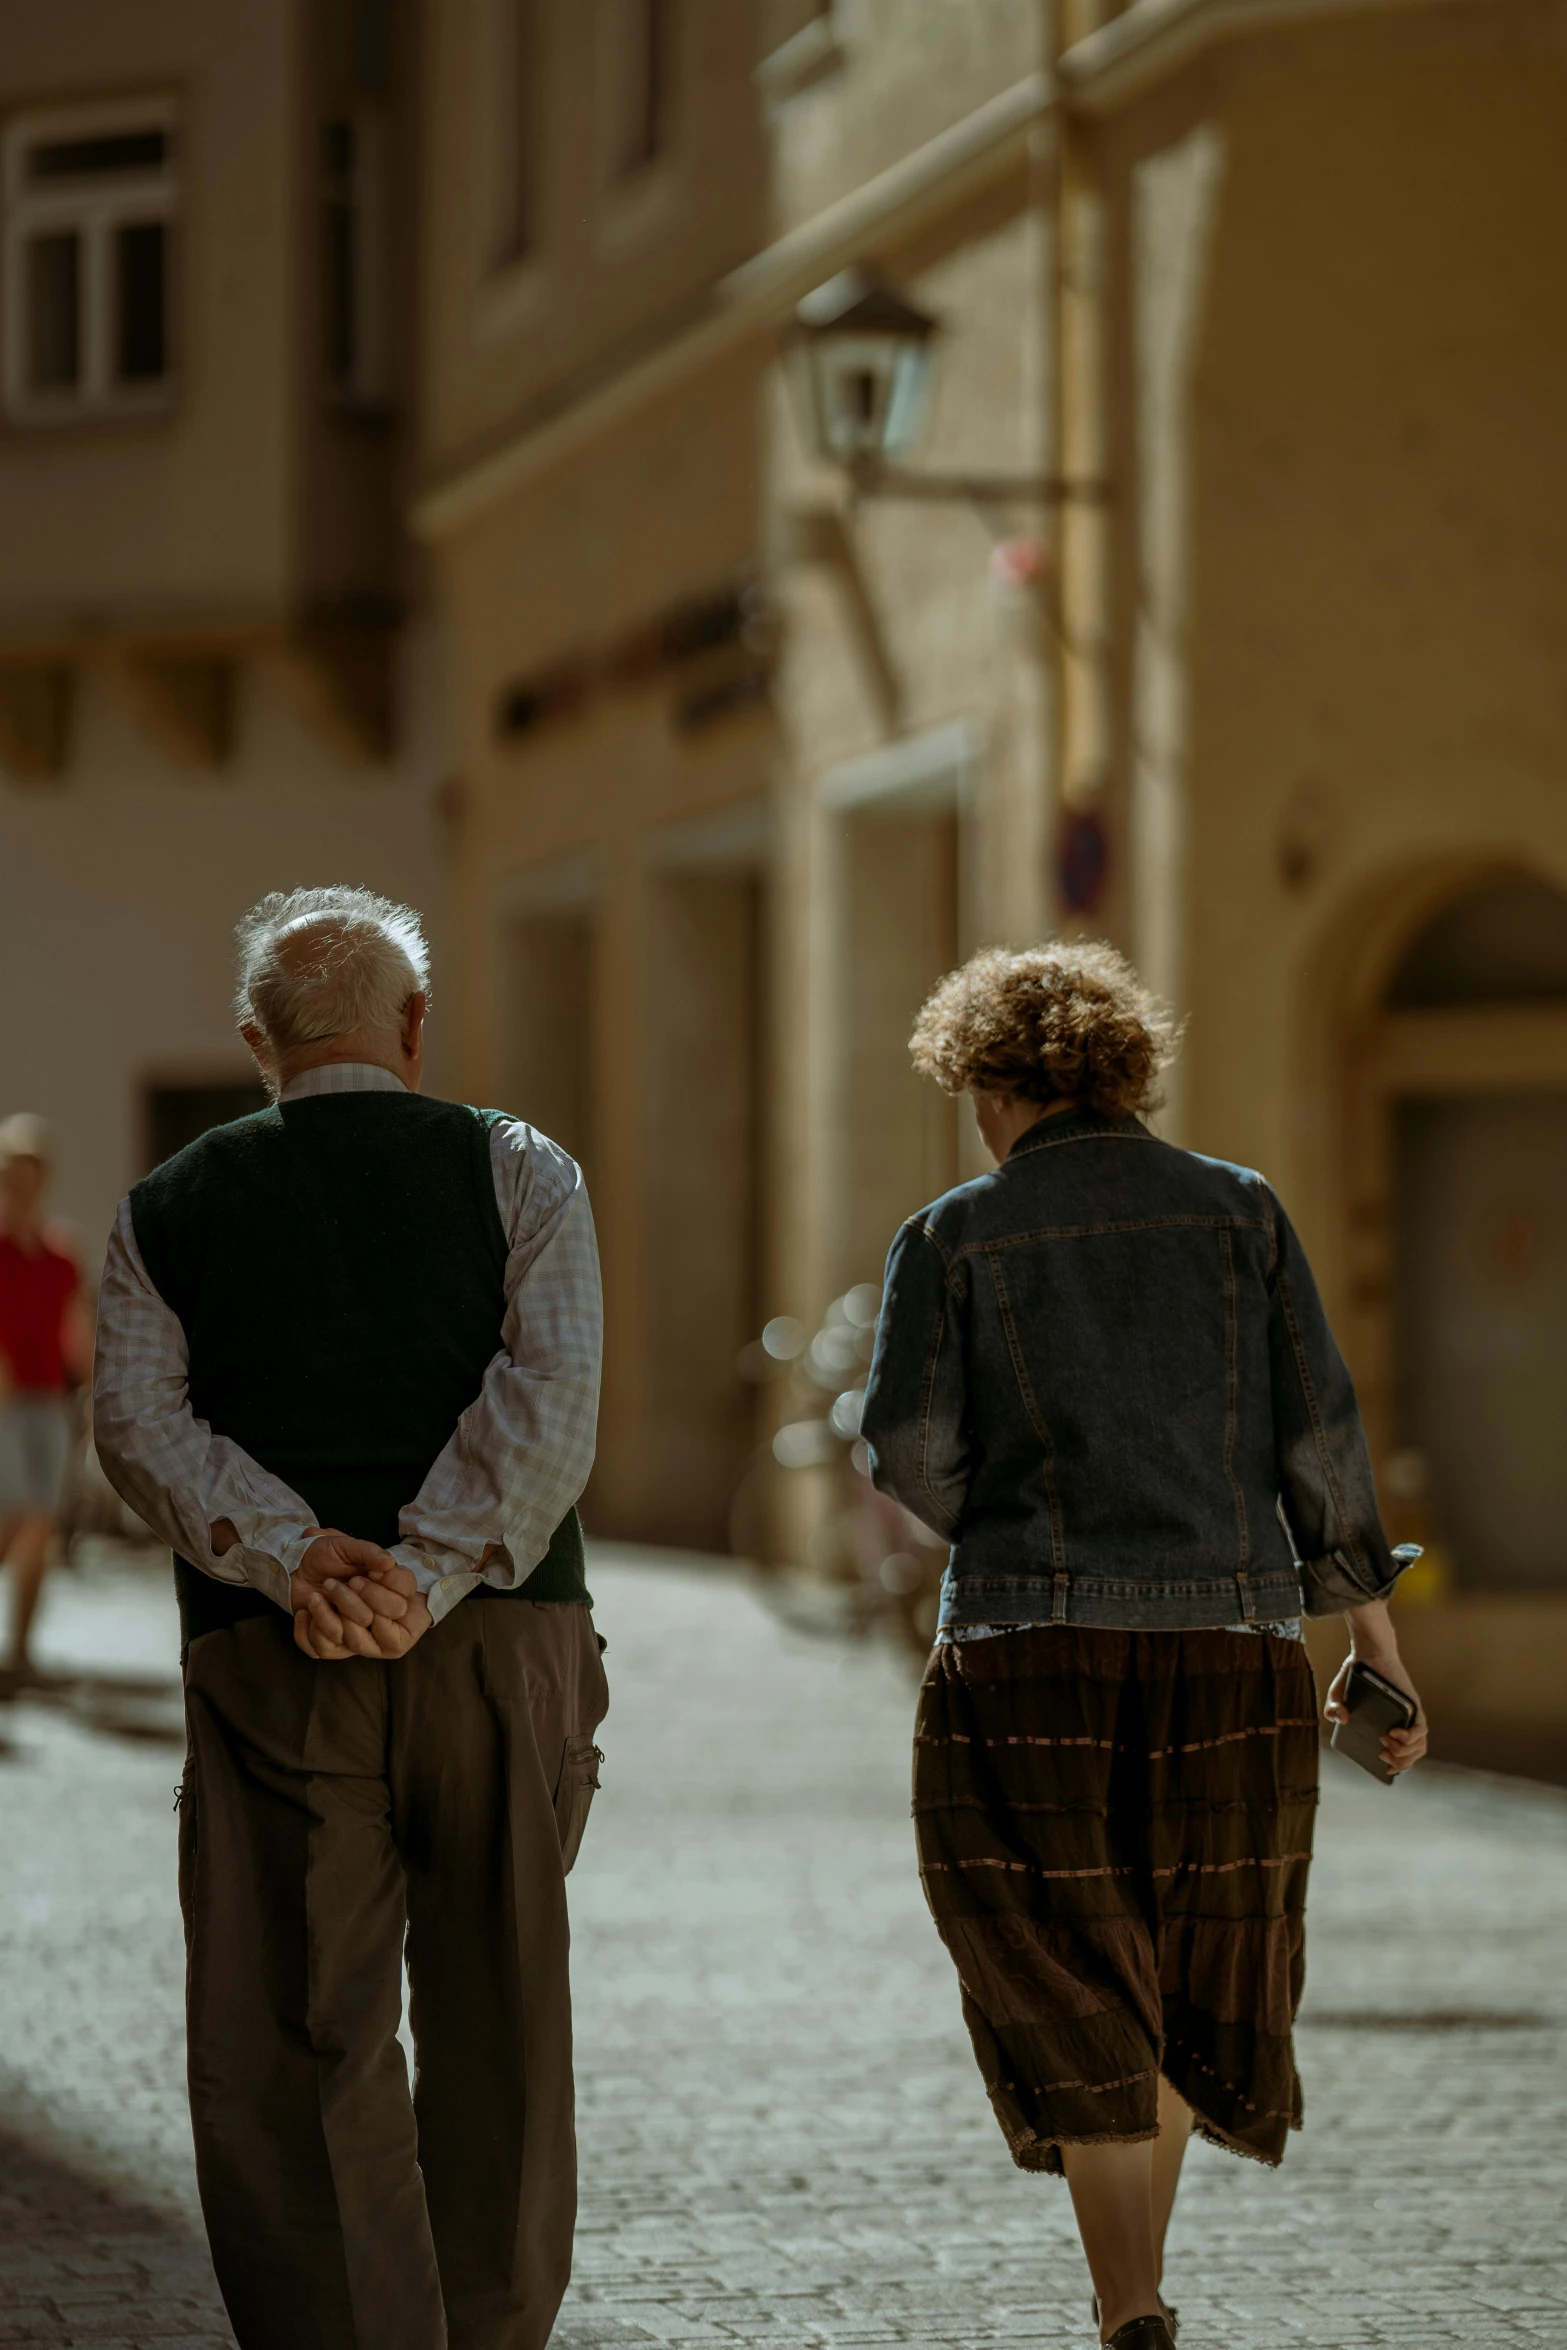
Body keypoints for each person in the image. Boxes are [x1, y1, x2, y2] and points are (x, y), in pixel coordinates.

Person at [860, 942, 1427, 2350]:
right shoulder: (1241, 1213)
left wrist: (1005, 1519)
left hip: (1024, 1649)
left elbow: (908, 1450)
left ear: (992, 1081)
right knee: (1186, 1973)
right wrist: (1377, 1648)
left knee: (1060, 1961)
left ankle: (1126, 2300)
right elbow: (1320, 1442)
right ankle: (1129, 2297)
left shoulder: (951, 1234)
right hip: (1230, 1653)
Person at [93, 885, 607, 2350]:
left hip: (274, 1658)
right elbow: (549, 1400)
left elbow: (138, 1425)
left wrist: (298, 1559)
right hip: (503, 1646)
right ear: (414, 1026)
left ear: (259, 1042)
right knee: (501, 2006)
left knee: (306, 2035)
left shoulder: (168, 1203)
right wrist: (427, 1573)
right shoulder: (520, 1166)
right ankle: (496, 2331)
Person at [0, 1113, 92, 1682]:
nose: (22, 1183)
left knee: (43, 1523)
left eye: (31, 1172)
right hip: (3, 1406)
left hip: (51, 1403)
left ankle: (22, 1650)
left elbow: (74, 1332)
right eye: (13, 1172)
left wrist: (91, 1397)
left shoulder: (61, 1254)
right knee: (22, 1517)